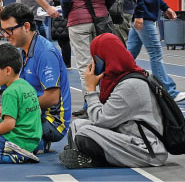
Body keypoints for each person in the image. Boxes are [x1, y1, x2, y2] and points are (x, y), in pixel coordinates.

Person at [0, 3, 71, 153]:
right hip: (30, 113)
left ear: (26, 26)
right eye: (3, 31)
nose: (6, 35)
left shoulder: (45, 53)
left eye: (9, 30)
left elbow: (52, 99)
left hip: (51, 121)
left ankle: (34, 142)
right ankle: (28, 140)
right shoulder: (22, 51)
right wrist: (4, 108)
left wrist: (12, 111)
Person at [59, 33, 168, 168]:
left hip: (146, 150)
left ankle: (92, 159)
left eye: (95, 58)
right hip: (126, 136)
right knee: (78, 125)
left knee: (84, 133)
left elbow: (100, 120)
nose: (93, 63)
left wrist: (91, 89)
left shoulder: (130, 85)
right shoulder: (119, 78)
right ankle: (87, 156)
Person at [61, 0, 116, 118]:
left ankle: (91, 107)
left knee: (85, 65)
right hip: (101, 19)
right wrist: (101, 8)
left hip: (78, 21)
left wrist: (68, 15)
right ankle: (103, 103)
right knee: (102, 64)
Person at [50, 0, 71, 69]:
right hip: (58, 16)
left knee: (64, 40)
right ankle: (65, 61)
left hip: (63, 16)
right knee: (61, 40)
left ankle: (67, 63)